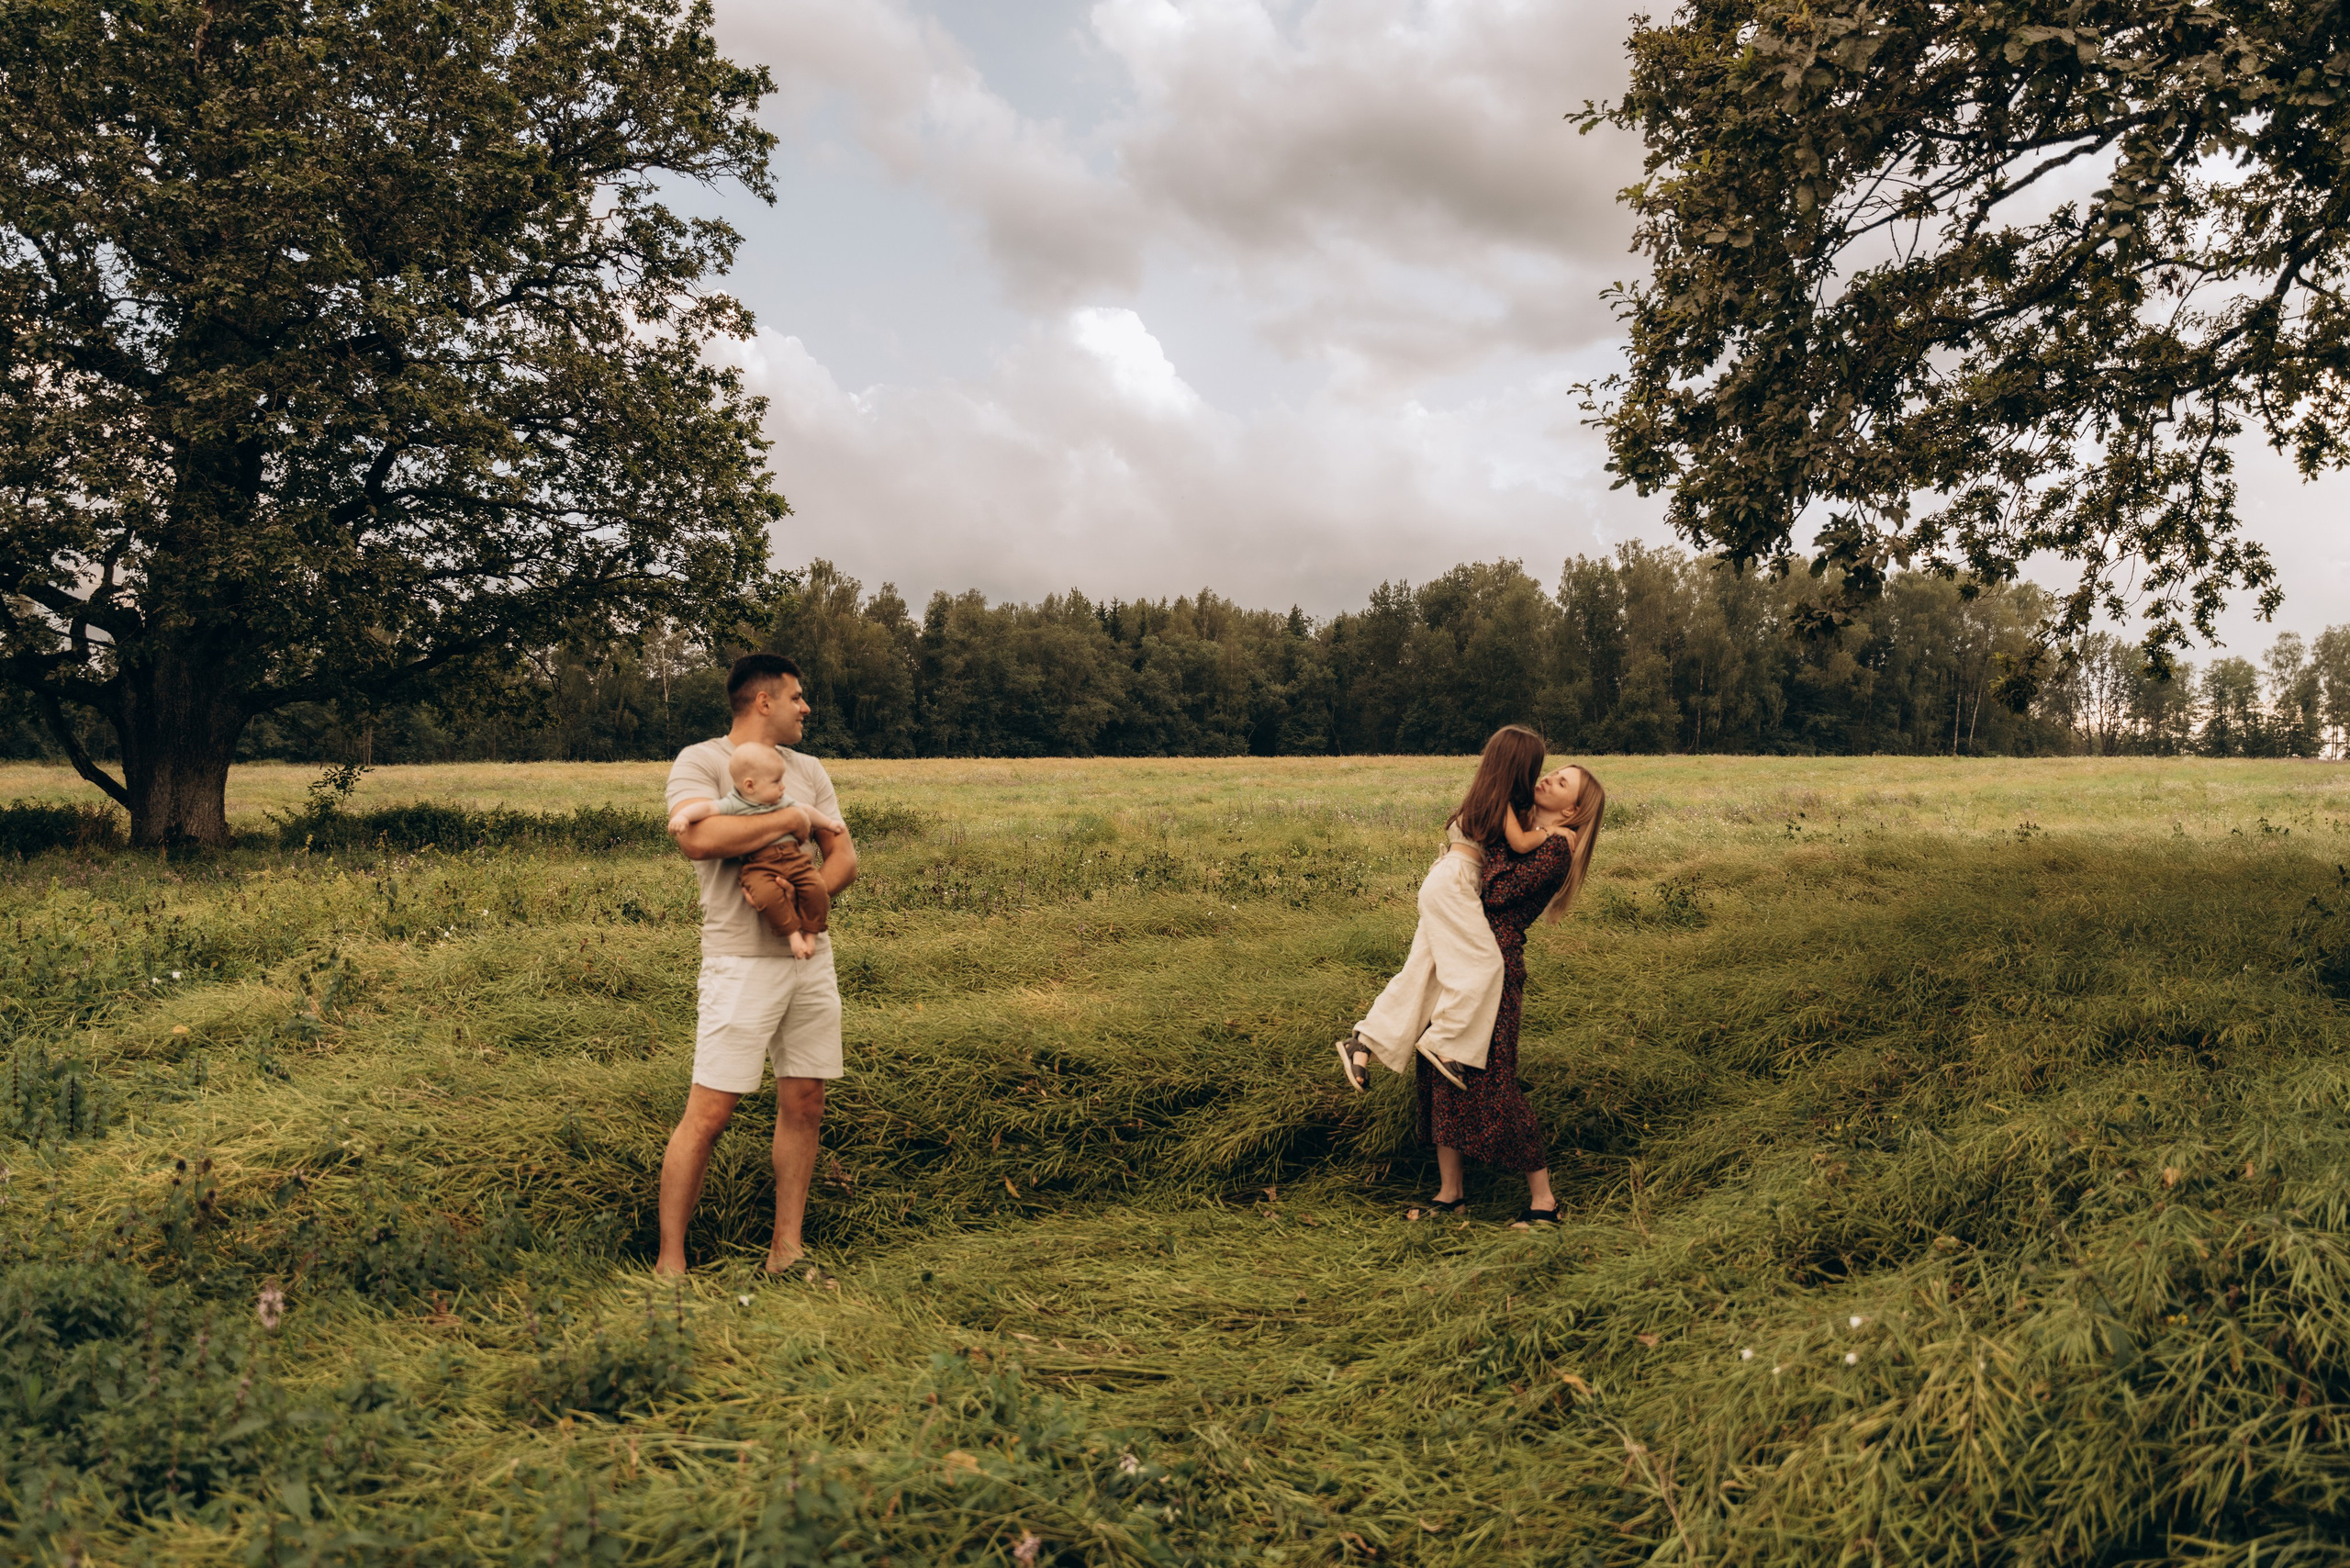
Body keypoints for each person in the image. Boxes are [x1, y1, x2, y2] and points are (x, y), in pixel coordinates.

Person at [1344, 740, 1606, 1227]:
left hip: (1493, 964)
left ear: (1572, 810)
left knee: (1492, 1082)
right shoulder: (1525, 826)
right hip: (1463, 950)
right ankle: (1451, 1195)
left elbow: (1498, 892)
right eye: (1552, 772)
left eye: (1561, 782)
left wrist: (1479, 857)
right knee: (1440, 1076)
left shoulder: (1555, 848)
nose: (1547, 779)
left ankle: (1544, 1203)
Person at [655, 654, 858, 1278]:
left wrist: (799, 906)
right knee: (711, 1112)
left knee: (806, 1100)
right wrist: (790, 819)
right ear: (763, 701)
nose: (806, 708)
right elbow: (699, 839)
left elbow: (844, 856)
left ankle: (785, 1253)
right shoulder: (702, 761)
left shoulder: (810, 769)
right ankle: (669, 1263)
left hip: (809, 955)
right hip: (739, 962)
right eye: (797, 696)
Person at [1334, 725, 1552, 1093]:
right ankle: (1445, 1041)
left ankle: (1364, 1042)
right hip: (1455, 883)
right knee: (1486, 964)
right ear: (1520, 768)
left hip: (1444, 881)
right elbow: (1519, 842)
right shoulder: (1498, 799)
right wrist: (1551, 832)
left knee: (1423, 972)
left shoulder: (1486, 795)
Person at [666, 741, 845, 959]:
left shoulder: (781, 801)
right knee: (766, 896)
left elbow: (807, 810)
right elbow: (706, 808)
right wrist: (683, 817)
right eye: (776, 782)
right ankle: (793, 935)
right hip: (759, 866)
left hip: (794, 859)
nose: (783, 787)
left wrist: (829, 824)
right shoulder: (734, 804)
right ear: (750, 786)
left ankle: (810, 933)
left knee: (816, 888)